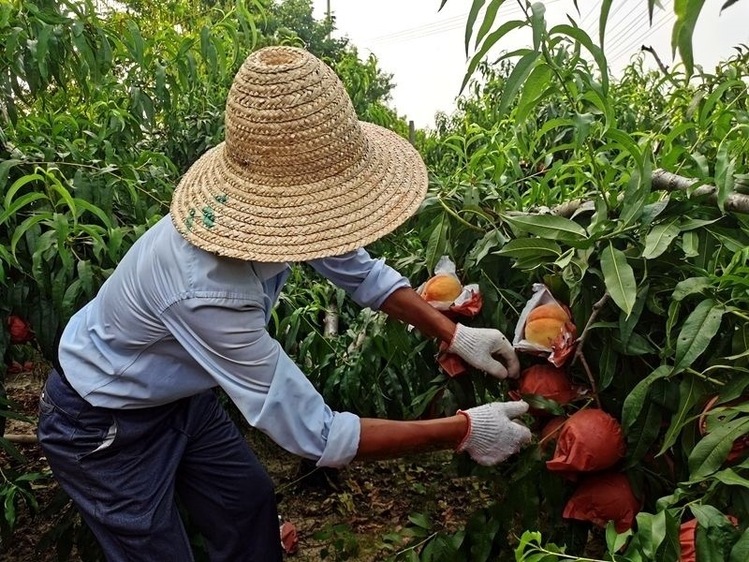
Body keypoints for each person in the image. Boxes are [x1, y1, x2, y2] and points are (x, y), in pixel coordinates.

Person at [37, 46, 531, 562]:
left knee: (248, 502)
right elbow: (316, 433)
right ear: (274, 204)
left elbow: (361, 271)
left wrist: (455, 334)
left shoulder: (285, 212)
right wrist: (465, 429)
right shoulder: (207, 291)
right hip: (102, 421)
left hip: (180, 398)